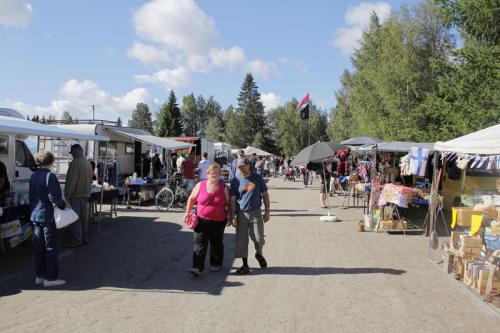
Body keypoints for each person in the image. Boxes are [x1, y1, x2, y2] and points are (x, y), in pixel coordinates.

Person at [30, 151, 69, 287]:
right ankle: (51, 278)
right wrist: (64, 206)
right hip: (48, 216)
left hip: (36, 215)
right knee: (51, 247)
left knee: (39, 247)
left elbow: (31, 196)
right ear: (51, 162)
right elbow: (55, 197)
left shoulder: (33, 176)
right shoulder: (50, 176)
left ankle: (39, 275)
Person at [184, 164, 230, 276]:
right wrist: (187, 212)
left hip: (219, 221)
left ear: (220, 174)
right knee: (199, 243)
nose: (213, 174)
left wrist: (231, 216)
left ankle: (216, 263)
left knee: (217, 243)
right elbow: (191, 199)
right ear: (207, 174)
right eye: (211, 173)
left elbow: (229, 203)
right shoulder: (200, 185)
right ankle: (197, 267)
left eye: (216, 172)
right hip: (201, 220)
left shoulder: (224, 187)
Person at [230, 158, 270, 275]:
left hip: (256, 212)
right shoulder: (235, 180)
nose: (241, 168)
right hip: (241, 213)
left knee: (259, 238)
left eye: (243, 166)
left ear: (249, 166)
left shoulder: (257, 178)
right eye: (239, 167)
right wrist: (233, 216)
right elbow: (233, 199)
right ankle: (245, 265)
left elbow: (265, 195)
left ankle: (259, 254)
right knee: (241, 240)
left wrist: (267, 211)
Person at [65, 144, 92, 247]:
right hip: (86, 193)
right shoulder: (87, 162)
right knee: (83, 218)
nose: (72, 155)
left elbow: (71, 182)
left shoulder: (75, 163)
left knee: (75, 218)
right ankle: (84, 237)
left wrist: (67, 196)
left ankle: (77, 239)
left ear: (76, 151)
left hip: (76, 194)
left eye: (72, 153)